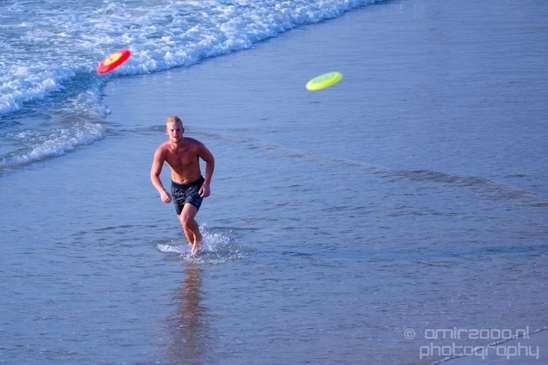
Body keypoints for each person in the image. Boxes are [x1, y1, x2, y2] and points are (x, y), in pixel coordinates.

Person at [151, 116, 215, 255]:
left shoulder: (195, 146)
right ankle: (197, 251)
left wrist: (207, 183)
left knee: (186, 220)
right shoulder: (162, 151)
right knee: (185, 225)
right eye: (172, 130)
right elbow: (154, 175)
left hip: (196, 186)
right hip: (177, 189)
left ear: (183, 130)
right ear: (167, 132)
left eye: (178, 129)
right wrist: (162, 191)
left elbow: (210, 160)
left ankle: (199, 238)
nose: (175, 133)